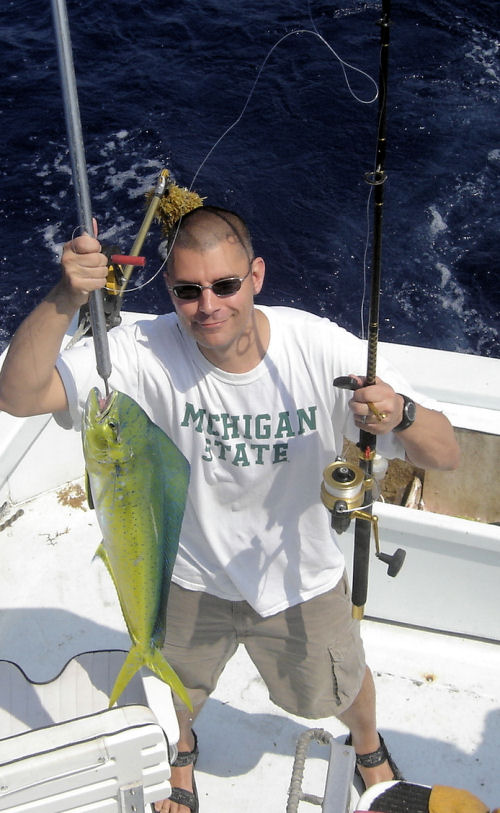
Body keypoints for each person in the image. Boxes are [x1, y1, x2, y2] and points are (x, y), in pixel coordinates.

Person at [0, 206, 460, 813]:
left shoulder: (318, 348)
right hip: (184, 577)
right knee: (174, 694)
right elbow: (19, 394)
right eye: (188, 291)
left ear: (257, 276)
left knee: (340, 684)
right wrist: (67, 294)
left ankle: (369, 748)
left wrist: (399, 413)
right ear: (169, 291)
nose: (208, 305)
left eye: (225, 285)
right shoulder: (140, 351)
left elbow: (446, 453)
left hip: (302, 578)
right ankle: (181, 757)